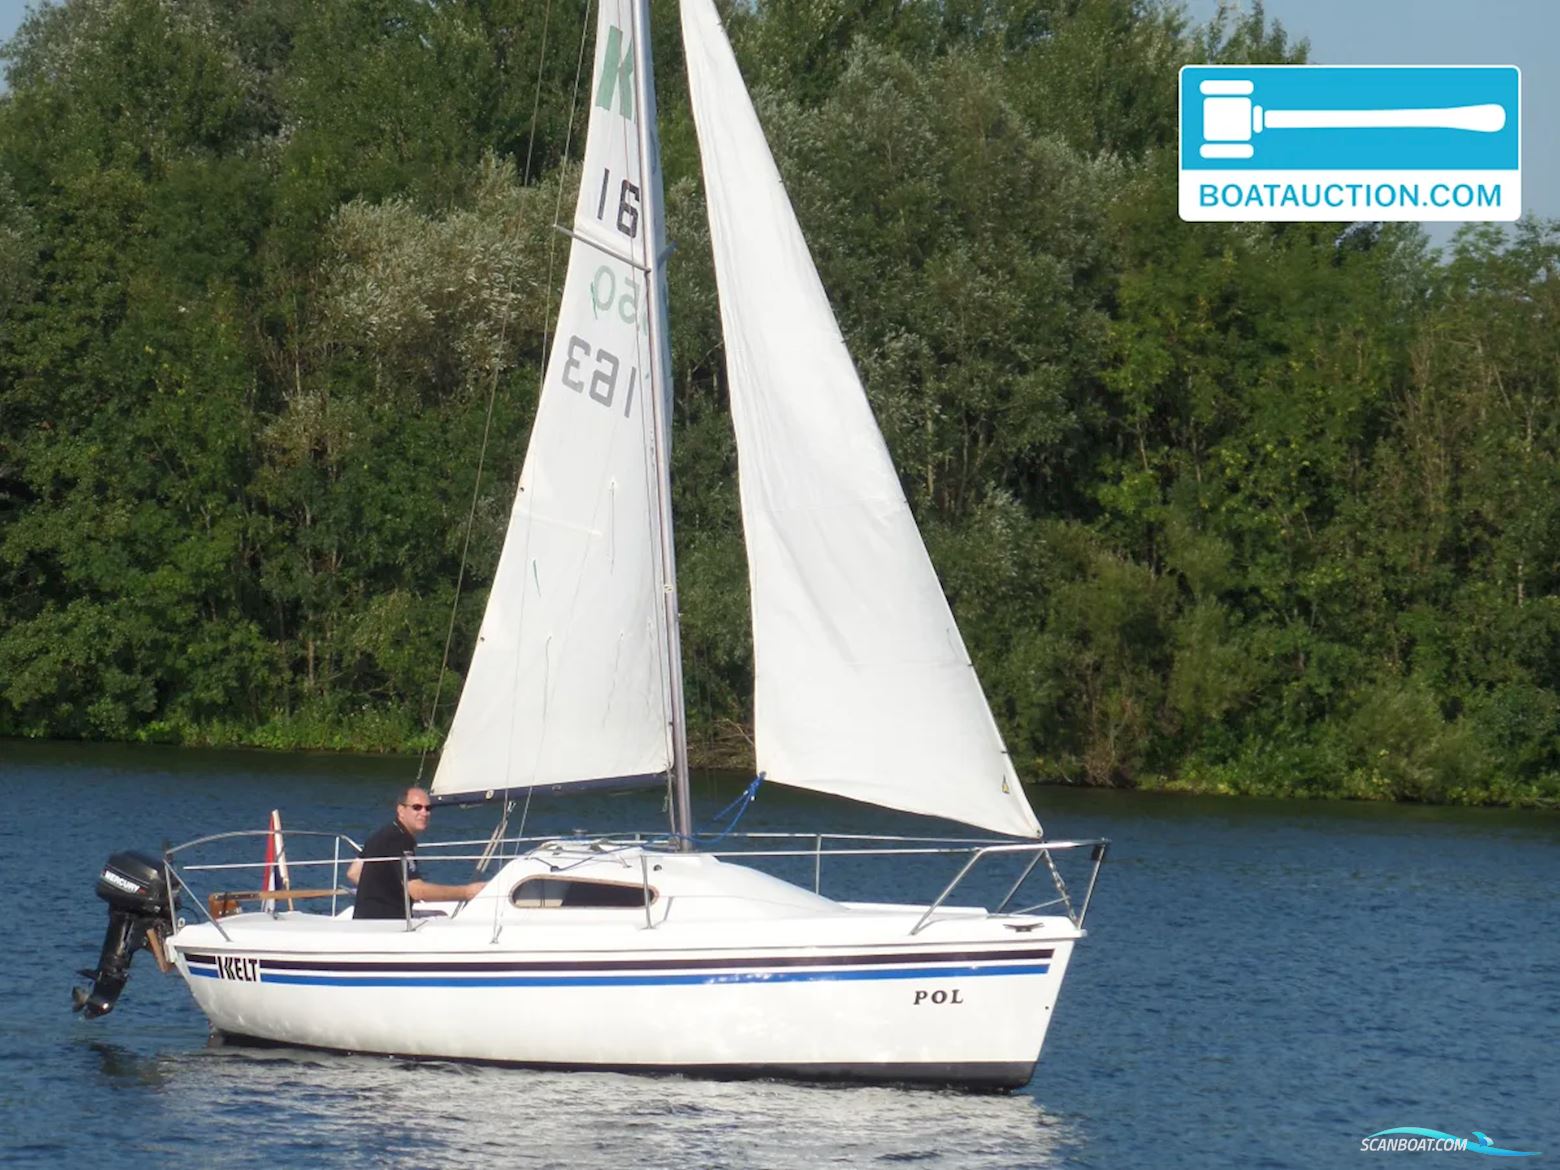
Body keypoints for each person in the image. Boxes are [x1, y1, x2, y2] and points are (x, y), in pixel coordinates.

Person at [347, 785, 485, 920]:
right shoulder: (399, 840)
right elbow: (417, 891)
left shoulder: (384, 834)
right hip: (386, 923)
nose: (424, 813)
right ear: (401, 810)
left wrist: (390, 892)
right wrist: (466, 892)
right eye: (417, 807)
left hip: (364, 919)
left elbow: (354, 873)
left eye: (428, 808)